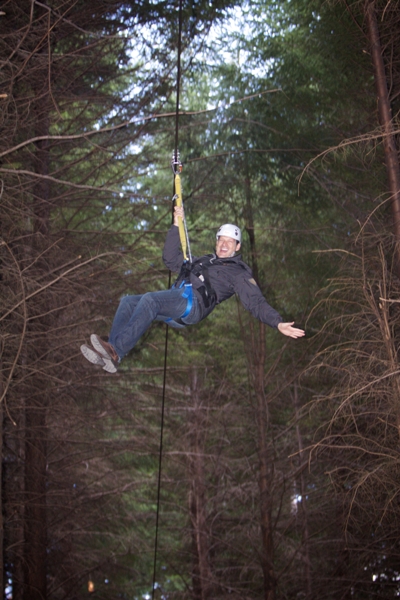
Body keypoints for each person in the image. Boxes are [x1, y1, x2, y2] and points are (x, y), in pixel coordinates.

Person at [80, 206, 305, 373]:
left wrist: (276, 322)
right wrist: (176, 225)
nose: (224, 245)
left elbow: (255, 302)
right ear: (216, 242)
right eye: (221, 241)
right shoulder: (201, 261)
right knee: (128, 302)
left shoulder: (238, 273)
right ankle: (110, 354)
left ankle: (115, 350)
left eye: (229, 242)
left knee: (149, 300)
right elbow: (170, 259)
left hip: (193, 304)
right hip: (179, 299)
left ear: (237, 247)